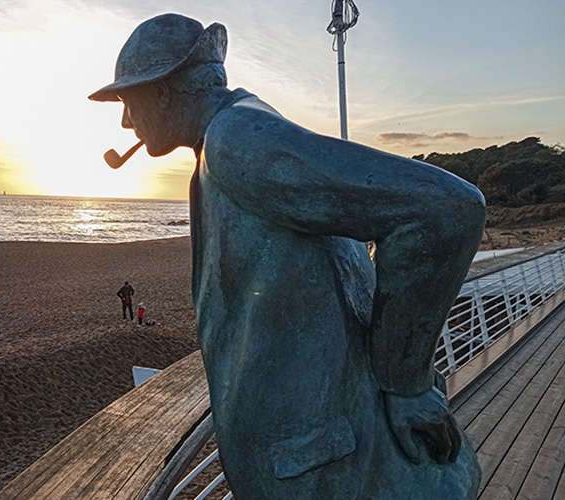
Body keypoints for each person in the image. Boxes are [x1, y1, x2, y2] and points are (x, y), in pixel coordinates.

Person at [89, 14, 484, 499]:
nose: (126, 121)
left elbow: (446, 210)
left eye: (127, 102)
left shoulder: (238, 139)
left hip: (329, 467)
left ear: (163, 91)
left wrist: (408, 384)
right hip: (324, 456)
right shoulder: (233, 133)